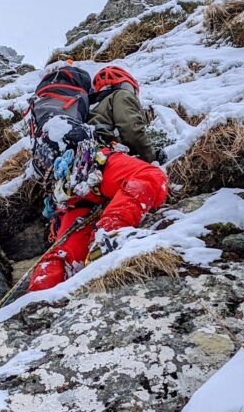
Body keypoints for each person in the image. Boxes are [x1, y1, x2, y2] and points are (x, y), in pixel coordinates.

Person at [27, 65, 169, 292]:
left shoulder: (82, 112)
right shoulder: (120, 94)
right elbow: (132, 129)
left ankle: (37, 300)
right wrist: (150, 157)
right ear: (128, 85)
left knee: (65, 252)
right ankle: (109, 233)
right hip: (97, 163)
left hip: (69, 184)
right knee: (149, 176)